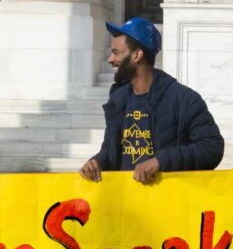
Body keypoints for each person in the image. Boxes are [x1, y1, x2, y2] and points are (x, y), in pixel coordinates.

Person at [79, 17, 224, 184]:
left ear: (137, 55)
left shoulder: (184, 99)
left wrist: (160, 162)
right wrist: (97, 162)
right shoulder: (118, 100)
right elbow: (111, 149)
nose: (110, 59)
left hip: (167, 203)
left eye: (116, 52)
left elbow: (212, 148)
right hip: (126, 202)